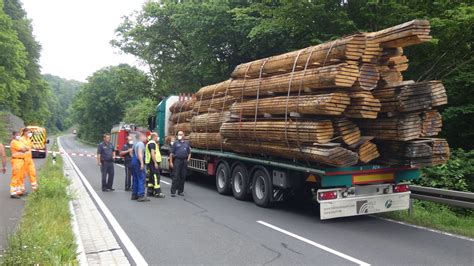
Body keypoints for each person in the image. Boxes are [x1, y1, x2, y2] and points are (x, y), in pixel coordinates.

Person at [170, 131, 191, 197]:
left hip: (184, 161)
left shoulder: (186, 143)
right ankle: (173, 192)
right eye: (178, 134)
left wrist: (188, 160)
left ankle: (180, 191)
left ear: (183, 135)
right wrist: (171, 162)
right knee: (176, 176)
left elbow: (189, 152)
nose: (179, 135)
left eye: (181, 134)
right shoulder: (175, 143)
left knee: (183, 176)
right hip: (177, 160)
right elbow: (171, 153)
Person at [131, 132, 150, 202]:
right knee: (141, 178)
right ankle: (141, 195)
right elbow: (139, 153)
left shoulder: (135, 143)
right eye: (145, 136)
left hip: (134, 161)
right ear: (141, 136)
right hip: (138, 162)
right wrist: (142, 163)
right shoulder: (141, 144)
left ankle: (134, 194)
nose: (146, 138)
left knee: (135, 178)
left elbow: (131, 152)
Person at [9, 131, 28, 199]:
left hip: (22, 160)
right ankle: (13, 192)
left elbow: (27, 148)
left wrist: (24, 149)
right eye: (17, 135)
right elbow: (23, 149)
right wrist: (24, 149)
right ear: (13, 136)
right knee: (16, 176)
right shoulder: (13, 142)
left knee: (21, 176)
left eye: (19, 135)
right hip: (16, 160)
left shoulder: (19, 142)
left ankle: (20, 191)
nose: (18, 136)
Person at [145, 133, 165, 198]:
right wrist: (155, 163)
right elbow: (152, 153)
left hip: (150, 162)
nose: (158, 138)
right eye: (157, 136)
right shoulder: (152, 143)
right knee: (156, 176)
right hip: (153, 162)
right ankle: (158, 192)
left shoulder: (151, 143)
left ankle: (150, 191)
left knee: (151, 177)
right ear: (154, 137)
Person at [20, 128, 38, 193]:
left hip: (29, 159)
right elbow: (22, 148)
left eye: (30, 132)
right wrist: (27, 148)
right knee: (22, 175)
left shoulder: (29, 139)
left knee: (32, 173)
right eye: (28, 132)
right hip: (23, 159)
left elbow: (31, 147)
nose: (29, 133)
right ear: (25, 132)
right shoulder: (21, 139)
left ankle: (35, 189)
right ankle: (21, 190)